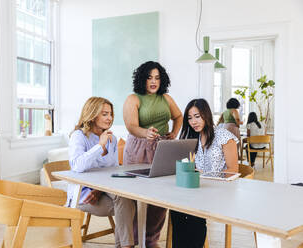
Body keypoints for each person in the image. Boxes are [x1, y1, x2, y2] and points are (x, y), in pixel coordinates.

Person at [123, 61, 183, 247]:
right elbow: (131, 126)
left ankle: (151, 240)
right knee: (135, 196)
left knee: (161, 195)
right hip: (138, 148)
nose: (153, 81)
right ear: (142, 79)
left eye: (157, 77)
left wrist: (174, 133)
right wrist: (145, 133)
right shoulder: (133, 99)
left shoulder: (166, 98)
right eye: (149, 77)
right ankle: (132, 240)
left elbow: (179, 116)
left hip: (162, 148)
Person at [170, 98, 238, 248]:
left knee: (194, 213)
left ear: (206, 115)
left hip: (219, 191)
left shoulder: (223, 136)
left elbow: (233, 170)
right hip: (198, 190)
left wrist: (206, 175)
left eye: (197, 116)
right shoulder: (192, 138)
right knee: (176, 209)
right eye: (189, 118)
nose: (193, 121)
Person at [68, 97, 135, 248]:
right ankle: (127, 246)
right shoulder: (78, 136)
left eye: (110, 114)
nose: (109, 118)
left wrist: (99, 190)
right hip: (82, 193)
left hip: (103, 189)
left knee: (127, 198)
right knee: (127, 204)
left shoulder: (112, 139)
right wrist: (100, 145)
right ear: (92, 115)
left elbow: (112, 170)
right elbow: (78, 166)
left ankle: (126, 246)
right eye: (104, 114)